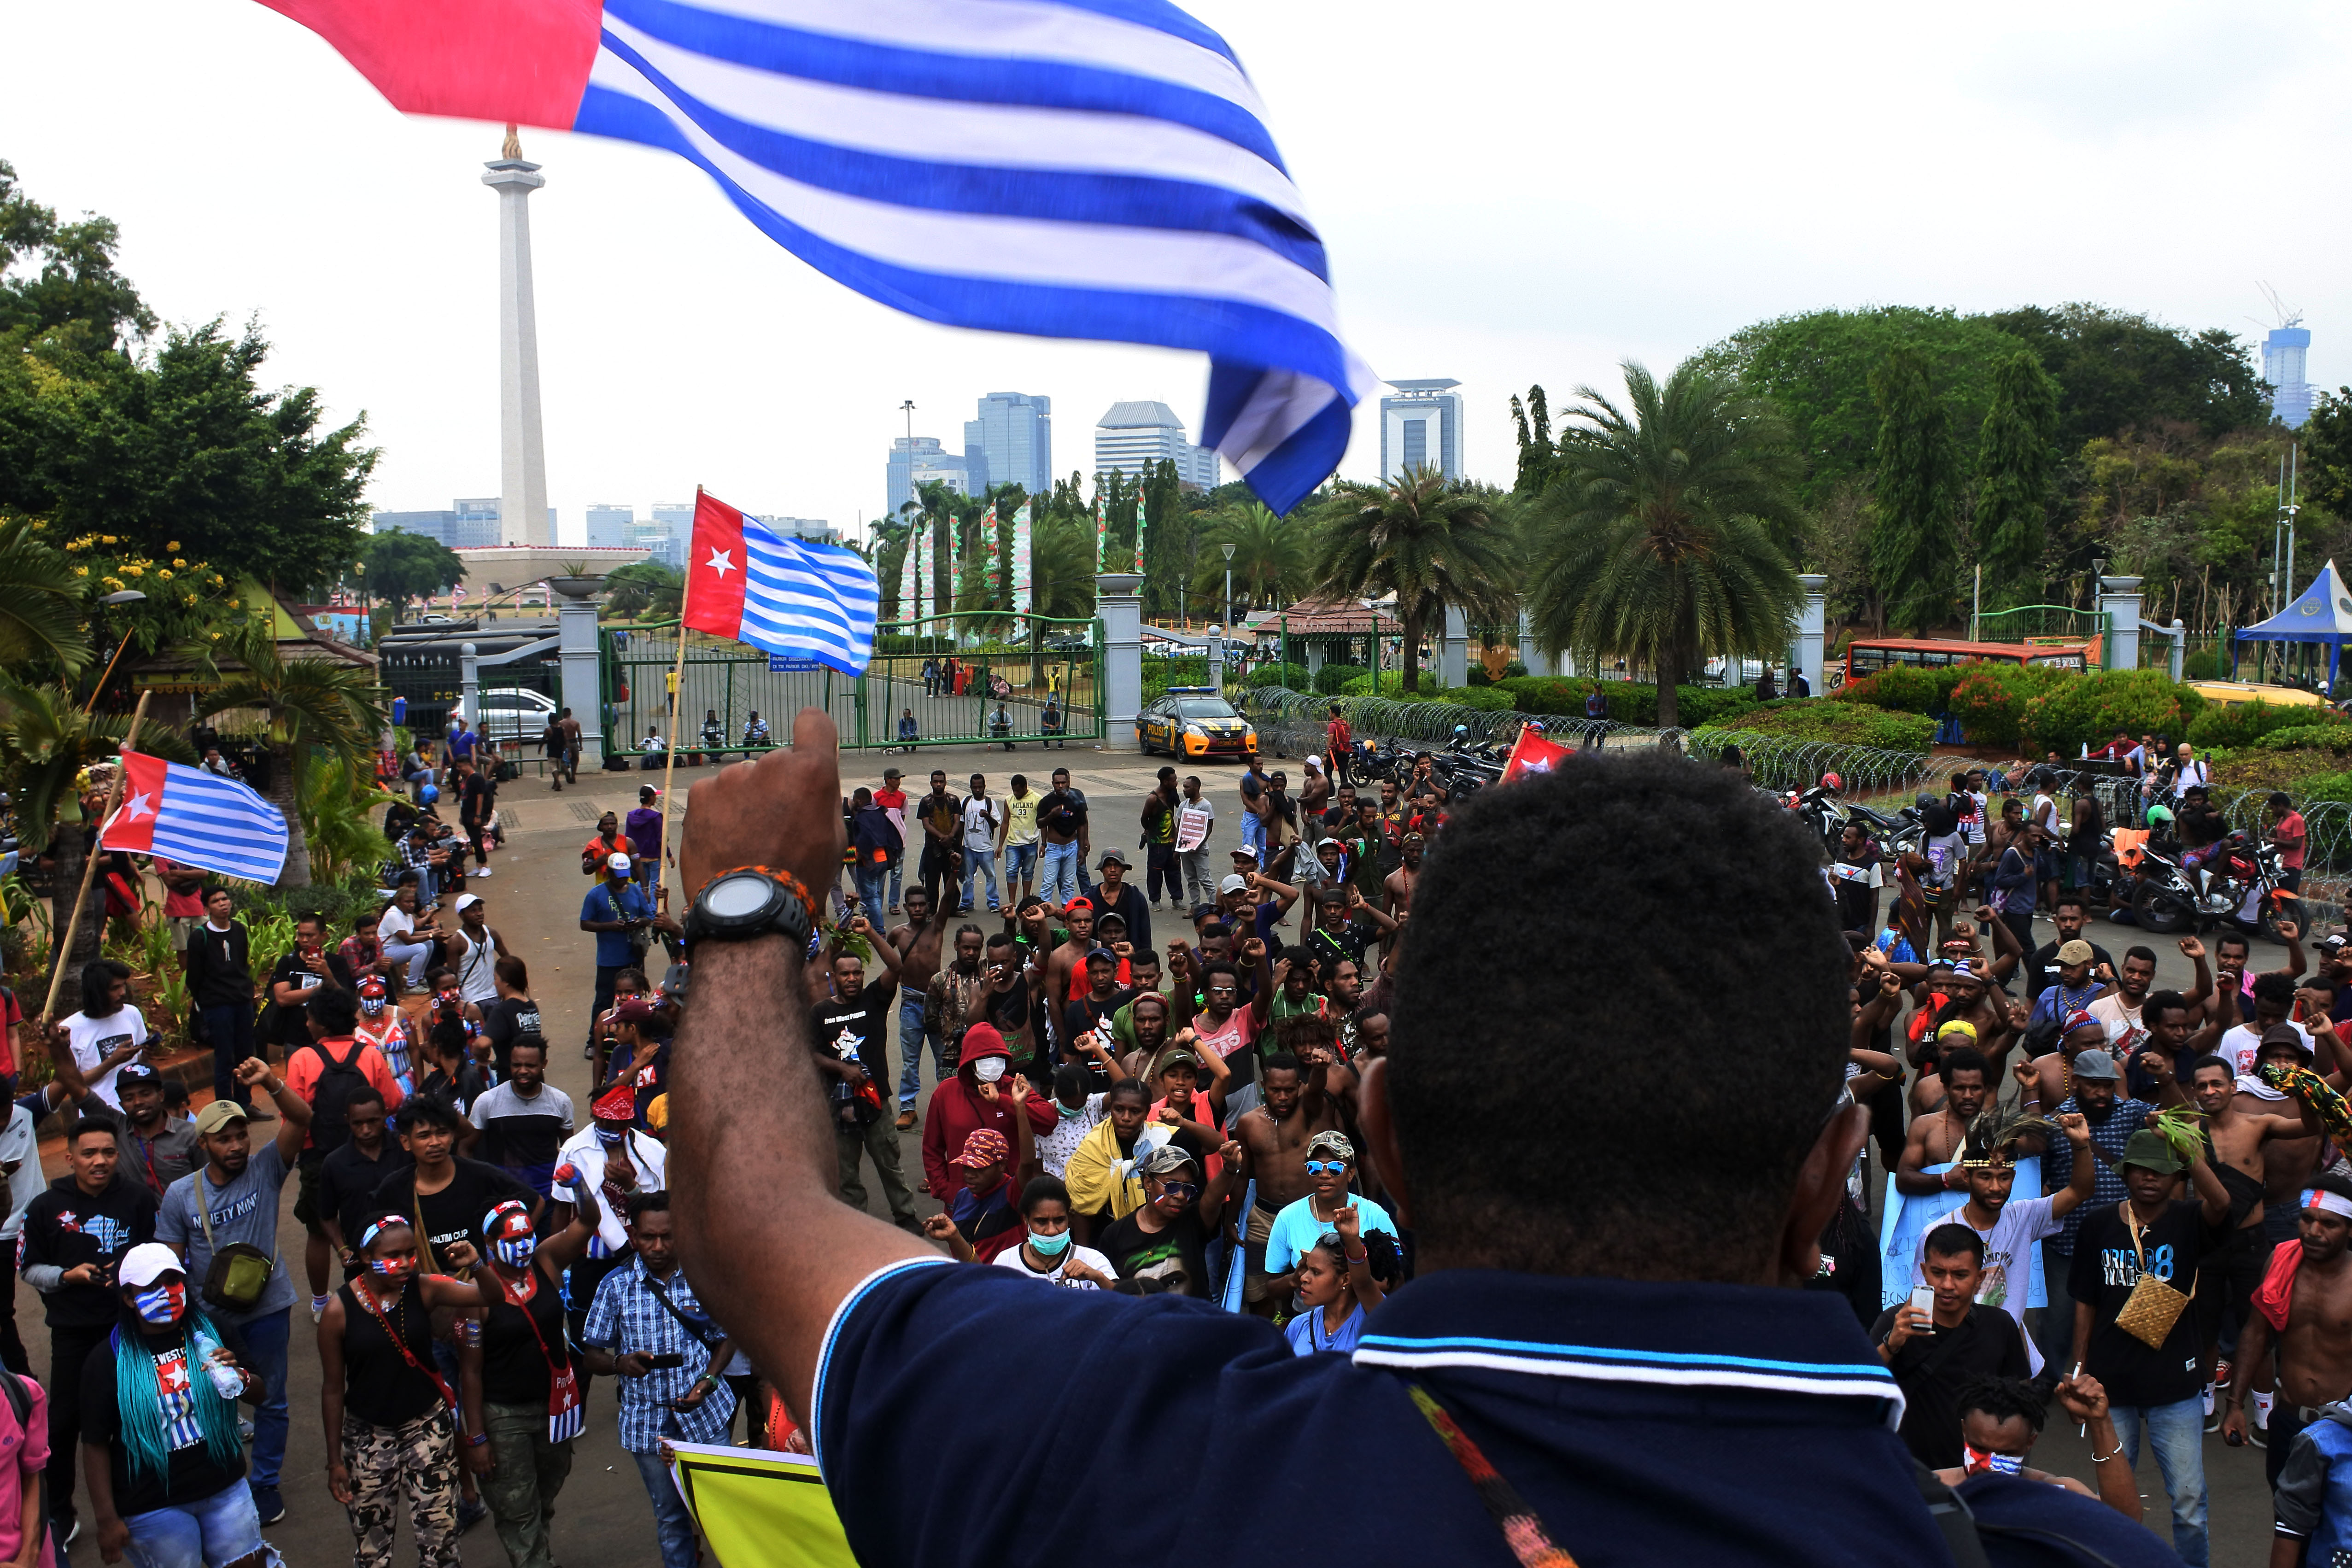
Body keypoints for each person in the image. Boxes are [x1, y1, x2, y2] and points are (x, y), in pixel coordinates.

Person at [661, 717, 2166, 1567]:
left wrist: (745, 907)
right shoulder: (2064, 1561)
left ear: (1374, 1134)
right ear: (1829, 1175)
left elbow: (751, 1217)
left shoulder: (1117, 1451)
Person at [156, 1061, 312, 1526]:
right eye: (224, 1138)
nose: (237, 1145)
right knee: (215, 1401)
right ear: (202, 1143)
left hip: (268, 1307)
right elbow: (170, 1264)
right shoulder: (182, 1194)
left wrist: (269, 1080)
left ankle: (264, 1484)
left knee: (272, 1399)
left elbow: (302, 1119)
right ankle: (225, 1483)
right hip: (211, 1316)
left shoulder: (266, 1168)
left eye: (241, 1134)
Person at [2069, 1126, 2233, 1567]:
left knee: (2189, 1503)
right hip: (2109, 1387)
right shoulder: (2097, 1223)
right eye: (2140, 1169)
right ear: (2126, 1173)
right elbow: (2085, 1300)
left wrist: (2185, 1147)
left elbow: (2222, 1204)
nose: (2148, 1179)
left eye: (2160, 1171)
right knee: (2113, 1503)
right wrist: (2078, 1368)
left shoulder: (2189, 1220)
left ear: (2176, 1176)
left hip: (2174, 1386)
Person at [78, 1241, 270, 1568]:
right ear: (128, 1298)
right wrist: (107, 1520)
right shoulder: (106, 1361)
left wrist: (238, 1375)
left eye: (173, 1281)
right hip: (152, 1503)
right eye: (153, 1287)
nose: (168, 1292)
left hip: (223, 1486)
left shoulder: (215, 1332)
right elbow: (95, 1444)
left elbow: (260, 1393)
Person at [318, 1212, 486, 1568]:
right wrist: (335, 1461)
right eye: (394, 1255)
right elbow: (333, 1390)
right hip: (368, 1435)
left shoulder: (424, 1287)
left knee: (441, 1540)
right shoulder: (339, 1311)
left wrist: (478, 1265)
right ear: (366, 1257)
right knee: (372, 1548)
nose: (406, 1262)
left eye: (412, 1253)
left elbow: (493, 1297)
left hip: (427, 1426)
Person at [20, 1114, 158, 1545]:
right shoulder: (45, 1206)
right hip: (74, 1332)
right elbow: (29, 1270)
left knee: (139, 1414)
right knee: (63, 1425)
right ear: (70, 1158)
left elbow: (158, 1256)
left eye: (108, 1152)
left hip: (130, 1330)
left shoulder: (137, 1199)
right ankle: (60, 1512)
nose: (100, 1161)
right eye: (89, 1154)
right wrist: (67, 1276)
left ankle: (147, 1497)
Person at [582, 1193, 736, 1568]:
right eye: (648, 1237)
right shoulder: (614, 1287)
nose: (658, 1247)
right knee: (670, 1518)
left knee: (723, 1514)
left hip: (707, 1418)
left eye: (667, 1237)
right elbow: (591, 1356)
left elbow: (727, 1337)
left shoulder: (704, 1276)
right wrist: (620, 1363)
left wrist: (709, 1382)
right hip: (648, 1425)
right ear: (633, 1237)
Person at [462, 1186, 598, 1568]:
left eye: (528, 1236)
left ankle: (539, 1551)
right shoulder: (475, 1293)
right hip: (504, 1414)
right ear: (489, 1244)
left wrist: (580, 1189)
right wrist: (476, 1438)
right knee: (515, 1505)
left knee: (546, 1492)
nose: (523, 1246)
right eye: (512, 1239)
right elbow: (469, 1372)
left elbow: (588, 1221)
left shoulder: (547, 1261)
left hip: (555, 1406)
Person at [287, 984, 410, 1322]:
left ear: (322, 1024)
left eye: (310, 1019)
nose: (308, 1024)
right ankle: (390, 1282)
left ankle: (320, 1301)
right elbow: (393, 1101)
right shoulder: (369, 1054)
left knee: (318, 1227)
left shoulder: (303, 1058)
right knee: (381, 1218)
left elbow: (294, 1116)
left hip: (319, 1155)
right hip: (370, 1153)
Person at [2223, 1174, 2352, 1487]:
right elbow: (2256, 1334)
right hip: (2289, 1420)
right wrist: (2235, 1404)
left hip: (2344, 1426)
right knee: (2286, 1518)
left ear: (2350, 1230)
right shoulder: (2281, 1262)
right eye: (2307, 1219)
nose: (2313, 1231)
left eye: (2328, 1224)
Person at [1872, 1223, 2033, 1468]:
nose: (1947, 1285)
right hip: (1908, 1470)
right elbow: (1860, 1387)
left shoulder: (2000, 1326)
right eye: (1938, 1273)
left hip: (1979, 1472)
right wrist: (1891, 1345)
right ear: (1924, 1272)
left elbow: (2018, 1401)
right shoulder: (1894, 1323)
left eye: (1960, 1275)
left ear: (1980, 1278)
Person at [811, 923, 919, 1228]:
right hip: (839, 1108)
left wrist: (871, 933)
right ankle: (857, 1225)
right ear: (833, 977)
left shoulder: (873, 999)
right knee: (847, 1173)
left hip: (876, 1103)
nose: (852, 979)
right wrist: (842, 1068)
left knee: (889, 1164)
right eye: (845, 974)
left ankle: (906, 1215)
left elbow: (897, 965)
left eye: (857, 973)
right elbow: (812, 1053)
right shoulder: (820, 1013)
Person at [1927, 1374, 2141, 1521]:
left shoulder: (2052, 1494)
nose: (1989, 1465)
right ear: (1965, 1431)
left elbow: (2125, 1521)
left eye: (2006, 1454)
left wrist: (2100, 1422)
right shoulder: (1929, 1492)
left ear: (2029, 1443)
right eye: (1980, 1449)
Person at [551, 1085, 667, 1354]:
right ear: (594, 1116)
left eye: (619, 1124)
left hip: (640, 1261)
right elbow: (561, 1208)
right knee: (584, 1344)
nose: (611, 1129)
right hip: (590, 1261)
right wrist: (555, 1264)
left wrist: (629, 1185)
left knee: (641, 1339)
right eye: (604, 1122)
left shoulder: (651, 1151)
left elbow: (659, 1210)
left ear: (629, 1121)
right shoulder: (574, 1150)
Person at [1094, 1142, 1242, 1297]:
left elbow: (1213, 1198)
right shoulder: (1115, 1235)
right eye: (1171, 1186)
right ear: (1148, 1184)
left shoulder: (1194, 1220)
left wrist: (1230, 1169)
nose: (1180, 1195)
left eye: (1187, 1188)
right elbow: (1111, 1293)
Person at [316, 1088, 411, 1290]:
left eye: (373, 1121)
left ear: (386, 1114)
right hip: (363, 1264)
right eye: (358, 1123)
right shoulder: (335, 1163)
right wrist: (342, 1249)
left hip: (410, 1259)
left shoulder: (407, 1149)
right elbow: (327, 1216)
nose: (366, 1130)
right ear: (347, 1120)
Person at [467, 1037, 575, 1210]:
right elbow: (466, 1147)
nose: (523, 1071)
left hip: (549, 1196)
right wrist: (476, 1184)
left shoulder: (560, 1102)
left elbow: (569, 1152)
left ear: (543, 1064)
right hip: (502, 1199)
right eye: (517, 1065)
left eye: (530, 1066)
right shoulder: (488, 1101)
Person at [184, 887, 260, 1105]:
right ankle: (226, 1107)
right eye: (216, 901)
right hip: (218, 1005)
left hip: (241, 1001)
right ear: (207, 908)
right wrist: (205, 1002)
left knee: (245, 1055)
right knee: (225, 1058)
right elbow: (194, 976)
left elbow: (242, 963)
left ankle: (245, 1104)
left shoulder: (238, 930)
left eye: (225, 899)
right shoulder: (200, 937)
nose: (223, 904)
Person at [1285, 1208, 1394, 1355]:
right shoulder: (1298, 1326)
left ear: (1346, 1279)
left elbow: (1363, 1283)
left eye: (1316, 1272)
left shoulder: (1369, 1318)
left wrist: (1352, 1239)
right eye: (1307, 1269)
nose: (1304, 1278)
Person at [580, 853, 656, 1057]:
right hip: (609, 958)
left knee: (635, 1001)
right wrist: (610, 926)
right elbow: (585, 923)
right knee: (604, 1001)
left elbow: (648, 917)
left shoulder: (635, 891)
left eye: (625, 875)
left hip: (633, 956)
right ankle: (594, 1041)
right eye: (618, 875)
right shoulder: (595, 895)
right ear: (609, 872)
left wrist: (637, 922)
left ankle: (637, 1038)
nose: (623, 879)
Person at [51, 957, 149, 1111]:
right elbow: (73, 1082)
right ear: (97, 993)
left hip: (137, 1109)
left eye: (124, 985)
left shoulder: (132, 1013)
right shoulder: (70, 1029)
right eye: (115, 988)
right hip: (100, 1112)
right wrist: (112, 1062)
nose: (123, 993)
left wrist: (147, 1052)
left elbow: (141, 1062)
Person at [986, 1176, 1116, 1288]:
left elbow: (1126, 1303)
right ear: (1026, 1220)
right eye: (1042, 1222)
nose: (1051, 1231)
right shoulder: (1006, 1262)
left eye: (1059, 1221)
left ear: (1068, 1218)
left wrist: (1099, 1278)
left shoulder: (1092, 1260)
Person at [114, 1062, 200, 1199]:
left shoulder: (191, 1134)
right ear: (121, 1105)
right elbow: (81, 1093)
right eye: (129, 1098)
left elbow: (210, 1181)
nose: (138, 1102)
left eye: (145, 1094)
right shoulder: (118, 1130)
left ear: (161, 1096)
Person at [1038, 766, 1088, 906]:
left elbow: (1082, 824)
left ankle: (1067, 912)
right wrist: (1051, 815)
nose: (1060, 786)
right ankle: (1043, 913)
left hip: (1071, 847)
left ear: (1069, 782)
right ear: (1053, 784)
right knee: (1048, 883)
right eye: (1057, 783)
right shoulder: (1047, 801)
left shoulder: (1077, 800)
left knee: (1068, 883)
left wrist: (1081, 848)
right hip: (1053, 848)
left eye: (1063, 783)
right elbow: (1040, 823)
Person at [961, 772, 1005, 913]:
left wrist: (987, 816)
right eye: (975, 787)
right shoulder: (966, 802)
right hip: (969, 847)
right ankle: (967, 902)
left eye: (980, 787)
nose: (978, 790)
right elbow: (961, 823)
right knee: (968, 877)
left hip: (986, 847)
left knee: (991, 875)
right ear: (971, 788)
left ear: (985, 787)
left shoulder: (990, 803)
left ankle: (993, 902)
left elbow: (996, 823)